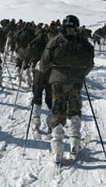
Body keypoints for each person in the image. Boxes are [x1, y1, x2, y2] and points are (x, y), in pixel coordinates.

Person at [39, 15, 94, 162]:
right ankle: (75, 142)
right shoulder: (83, 42)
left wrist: (48, 73)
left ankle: (57, 149)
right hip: (76, 80)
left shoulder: (56, 40)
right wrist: (82, 74)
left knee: (58, 110)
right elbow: (90, 63)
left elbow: (44, 62)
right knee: (74, 110)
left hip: (57, 79)